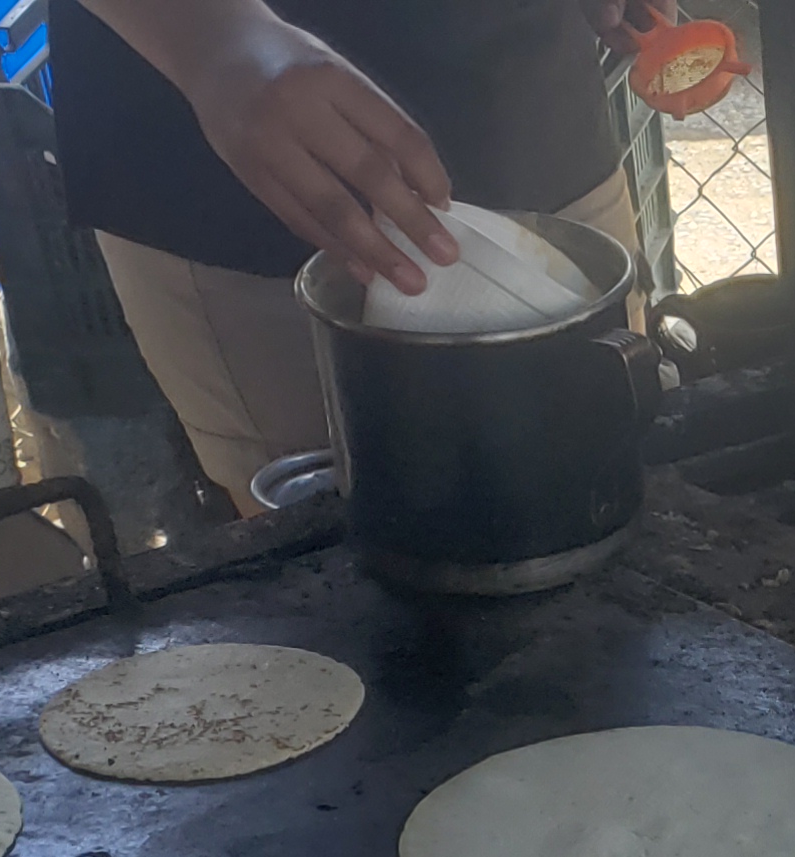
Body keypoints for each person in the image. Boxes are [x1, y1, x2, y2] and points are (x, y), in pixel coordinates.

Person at [46, 0, 664, 512]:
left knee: (606, 509)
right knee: (340, 581)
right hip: (253, 153)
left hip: (530, 94)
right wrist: (214, 39)